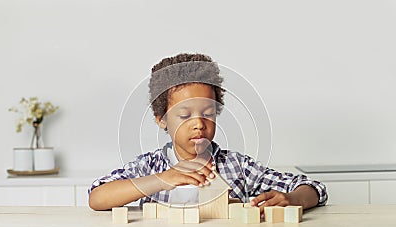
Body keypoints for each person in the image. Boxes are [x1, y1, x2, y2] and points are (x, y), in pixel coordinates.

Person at [88, 53, 327, 212]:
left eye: (208, 113)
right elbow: (97, 197)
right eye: (184, 115)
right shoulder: (149, 167)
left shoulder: (237, 167)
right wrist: (163, 179)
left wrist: (293, 199)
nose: (199, 124)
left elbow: (313, 187)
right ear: (161, 120)